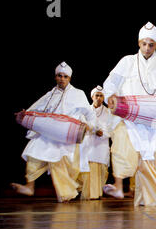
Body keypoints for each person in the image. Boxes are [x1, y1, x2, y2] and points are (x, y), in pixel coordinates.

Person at [101, 22, 156, 206]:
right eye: (144, 43)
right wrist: (110, 95)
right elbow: (110, 83)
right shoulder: (127, 61)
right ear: (138, 43)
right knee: (122, 144)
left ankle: (147, 198)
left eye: (151, 44)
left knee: (155, 156)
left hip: (153, 120)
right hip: (130, 116)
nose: (147, 48)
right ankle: (118, 185)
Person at [11, 62, 96, 202]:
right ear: (55, 77)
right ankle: (29, 187)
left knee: (59, 164)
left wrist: (90, 126)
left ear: (69, 78)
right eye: (59, 76)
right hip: (47, 133)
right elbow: (35, 109)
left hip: (66, 135)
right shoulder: (50, 94)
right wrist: (24, 115)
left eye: (65, 76)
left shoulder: (78, 94)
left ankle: (66, 194)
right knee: (33, 154)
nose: (62, 78)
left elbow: (90, 115)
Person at [78, 86, 112, 200]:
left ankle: (97, 194)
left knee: (101, 170)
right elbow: (81, 125)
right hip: (88, 143)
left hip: (101, 145)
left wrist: (103, 133)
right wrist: (91, 130)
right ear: (92, 96)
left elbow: (112, 130)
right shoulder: (85, 111)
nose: (98, 98)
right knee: (88, 168)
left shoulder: (108, 112)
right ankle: (87, 194)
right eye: (96, 95)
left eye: (101, 95)